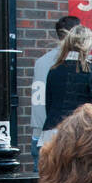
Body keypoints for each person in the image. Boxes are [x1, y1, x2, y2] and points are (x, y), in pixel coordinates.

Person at [43, 25, 92, 143]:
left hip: (51, 133)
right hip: (80, 134)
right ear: (87, 45)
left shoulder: (54, 70)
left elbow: (49, 106)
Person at [31, 15, 80, 166]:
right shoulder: (78, 64)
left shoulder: (41, 62)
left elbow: (39, 103)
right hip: (67, 137)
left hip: (40, 135)